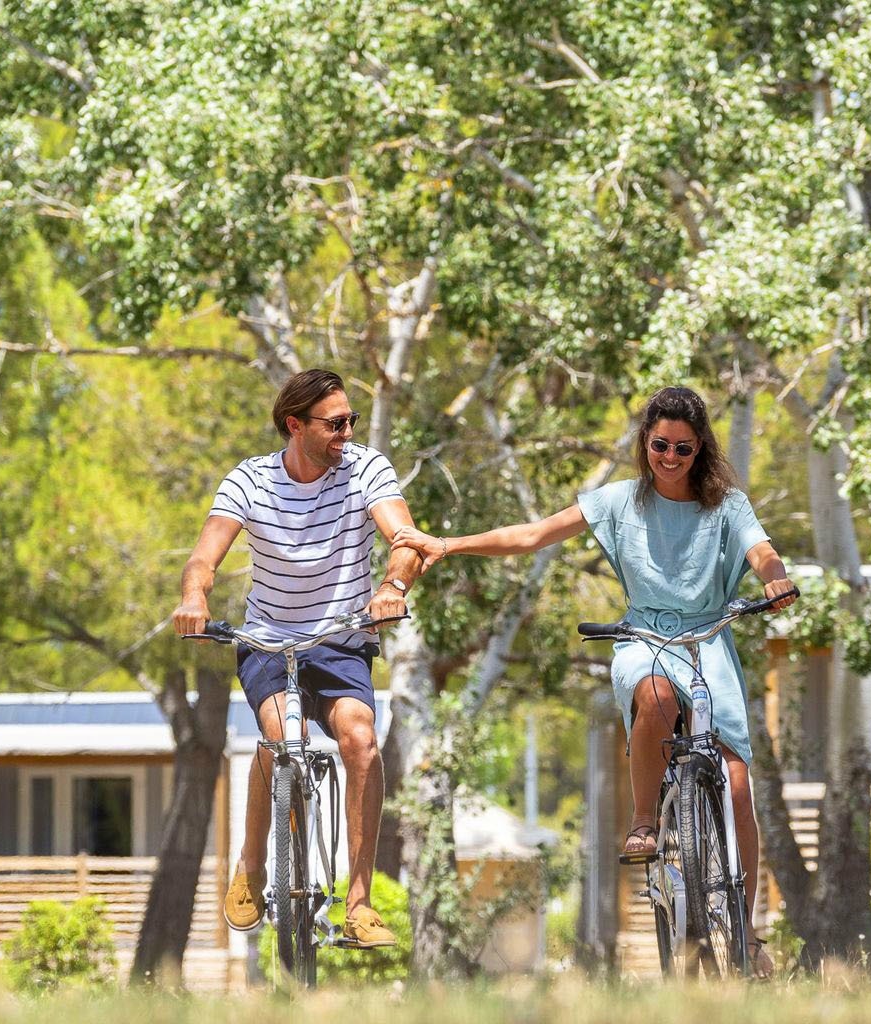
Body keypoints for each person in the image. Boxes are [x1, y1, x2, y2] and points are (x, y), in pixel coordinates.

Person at [392, 385, 797, 972]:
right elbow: (532, 535)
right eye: (661, 445)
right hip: (644, 638)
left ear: (700, 448)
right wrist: (448, 545)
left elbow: (762, 551)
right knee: (652, 693)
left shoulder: (726, 505)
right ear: (646, 442)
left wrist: (775, 578)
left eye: (684, 449)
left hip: (709, 638)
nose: (671, 458)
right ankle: (644, 820)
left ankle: (747, 933)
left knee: (736, 788)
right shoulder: (618, 501)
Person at [172, 369, 425, 948]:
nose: (346, 433)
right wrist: (194, 598)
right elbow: (203, 557)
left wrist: (393, 587)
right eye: (335, 424)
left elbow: (404, 538)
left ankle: (358, 902)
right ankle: (252, 867)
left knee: (360, 739)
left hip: (341, 637)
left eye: (350, 421)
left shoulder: (365, 469)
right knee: (279, 732)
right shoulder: (251, 481)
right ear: (295, 425)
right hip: (269, 637)